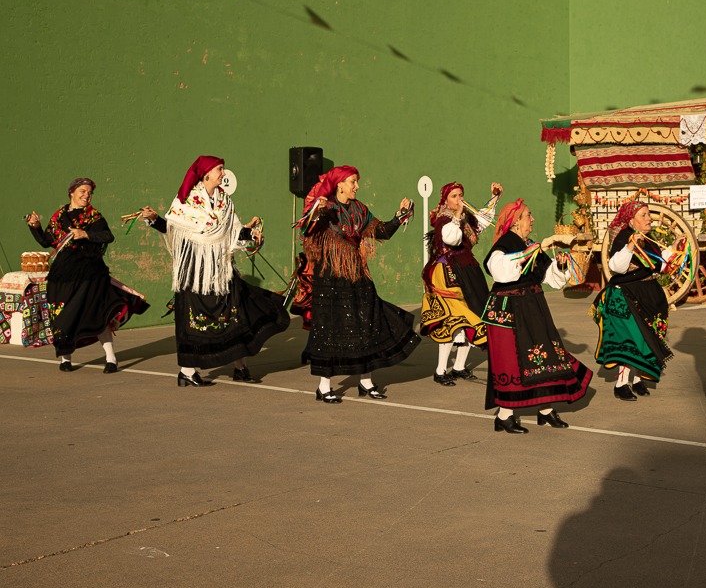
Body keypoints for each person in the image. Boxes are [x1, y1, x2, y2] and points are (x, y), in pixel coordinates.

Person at [160, 156, 290, 386]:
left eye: (222, 169)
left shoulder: (224, 202)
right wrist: (152, 221)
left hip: (221, 271)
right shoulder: (187, 201)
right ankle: (187, 372)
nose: (223, 173)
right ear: (206, 174)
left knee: (235, 313)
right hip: (196, 274)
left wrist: (251, 235)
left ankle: (240, 367)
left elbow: (234, 231)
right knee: (194, 323)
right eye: (219, 169)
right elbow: (171, 227)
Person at [301, 165, 420, 403]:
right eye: (353, 181)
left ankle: (366, 381)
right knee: (330, 330)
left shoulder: (359, 209)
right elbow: (306, 229)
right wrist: (316, 211)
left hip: (357, 274)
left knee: (368, 323)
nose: (357, 186)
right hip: (331, 277)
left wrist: (400, 216)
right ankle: (324, 386)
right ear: (340, 184)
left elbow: (381, 232)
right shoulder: (326, 207)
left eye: (356, 182)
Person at [482, 199, 593, 433]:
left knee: (545, 356)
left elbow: (549, 276)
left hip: (533, 307)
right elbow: (498, 270)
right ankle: (504, 416)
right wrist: (523, 254)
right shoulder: (504, 244)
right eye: (528, 215)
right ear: (515, 222)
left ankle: (545, 410)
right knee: (512, 362)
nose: (532, 220)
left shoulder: (530, 244)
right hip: (508, 312)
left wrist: (560, 266)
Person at [26, 178, 149, 373]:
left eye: (89, 192)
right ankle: (65, 359)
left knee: (97, 314)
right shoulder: (59, 216)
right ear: (72, 193)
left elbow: (108, 236)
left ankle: (111, 359)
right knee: (62, 316)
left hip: (90, 274)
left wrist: (85, 234)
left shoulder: (93, 216)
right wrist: (35, 227)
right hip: (63, 274)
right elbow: (46, 241)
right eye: (82, 191)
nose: (87, 195)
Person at [419, 181, 501, 386]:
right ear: (445, 200)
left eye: (461, 195)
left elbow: (482, 221)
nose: (459, 199)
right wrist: (457, 217)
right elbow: (452, 240)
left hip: (467, 271)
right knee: (454, 321)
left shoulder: (464, 218)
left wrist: (494, 197)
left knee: (473, 317)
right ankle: (440, 370)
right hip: (447, 272)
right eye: (454, 196)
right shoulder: (444, 220)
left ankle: (459, 367)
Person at [592, 200, 674, 401]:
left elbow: (660, 265)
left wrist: (675, 250)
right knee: (632, 339)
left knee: (646, 339)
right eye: (643, 215)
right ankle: (621, 384)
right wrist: (630, 245)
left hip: (648, 293)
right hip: (626, 295)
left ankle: (637, 379)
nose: (649, 219)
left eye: (648, 214)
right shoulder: (622, 238)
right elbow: (616, 267)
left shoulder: (649, 239)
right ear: (631, 222)